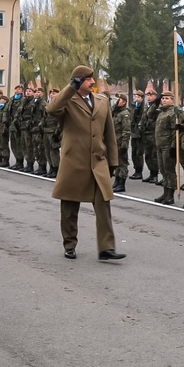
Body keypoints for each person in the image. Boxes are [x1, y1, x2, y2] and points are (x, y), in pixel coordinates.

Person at [47, 66, 124, 261]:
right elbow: (52, 109)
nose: (92, 82)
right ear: (78, 82)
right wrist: (69, 88)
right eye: (88, 79)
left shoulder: (102, 101)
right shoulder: (68, 101)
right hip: (74, 161)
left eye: (92, 78)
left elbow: (110, 133)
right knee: (70, 206)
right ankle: (70, 244)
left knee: (103, 204)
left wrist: (113, 161)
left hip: (98, 162)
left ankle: (106, 247)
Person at [153, 91, 178, 205]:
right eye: (162, 98)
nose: (164, 100)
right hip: (160, 145)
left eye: (167, 98)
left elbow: (175, 131)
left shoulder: (172, 112)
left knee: (169, 171)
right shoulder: (161, 112)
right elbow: (149, 114)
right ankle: (165, 192)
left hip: (168, 146)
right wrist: (155, 103)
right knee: (163, 170)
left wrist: (173, 146)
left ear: (172, 99)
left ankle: (170, 195)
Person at [139, 88, 161, 183]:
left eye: (151, 95)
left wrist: (157, 102)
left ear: (155, 97)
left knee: (154, 155)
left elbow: (151, 114)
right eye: (148, 95)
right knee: (147, 155)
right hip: (146, 133)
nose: (149, 97)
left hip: (153, 133)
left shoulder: (156, 106)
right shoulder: (147, 106)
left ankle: (155, 174)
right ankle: (151, 173)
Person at [112, 93, 132, 193]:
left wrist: (124, 144)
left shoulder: (125, 114)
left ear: (123, 102)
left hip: (120, 142)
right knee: (116, 162)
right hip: (115, 141)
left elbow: (126, 130)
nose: (116, 101)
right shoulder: (116, 112)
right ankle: (117, 180)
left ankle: (122, 183)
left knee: (122, 163)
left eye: (118, 100)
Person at [43, 88, 62, 178]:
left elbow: (60, 120)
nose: (52, 95)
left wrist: (57, 132)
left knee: (54, 151)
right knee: (47, 151)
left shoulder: (60, 105)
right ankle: (51, 167)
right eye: (51, 93)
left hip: (54, 131)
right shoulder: (48, 104)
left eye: (54, 93)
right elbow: (44, 118)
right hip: (46, 130)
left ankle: (56, 169)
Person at [6, 84, 25, 169]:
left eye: (19, 89)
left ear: (22, 91)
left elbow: (21, 111)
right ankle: (17, 161)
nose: (18, 90)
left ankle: (20, 162)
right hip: (11, 124)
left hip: (18, 124)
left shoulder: (23, 100)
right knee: (13, 143)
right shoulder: (12, 99)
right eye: (16, 89)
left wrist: (16, 121)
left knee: (19, 143)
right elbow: (7, 110)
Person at [30, 87, 48, 175]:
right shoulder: (33, 103)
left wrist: (40, 126)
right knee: (35, 149)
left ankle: (43, 167)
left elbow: (45, 117)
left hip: (40, 129)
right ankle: (39, 166)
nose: (37, 94)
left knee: (41, 149)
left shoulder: (43, 104)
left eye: (39, 92)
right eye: (36, 92)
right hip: (33, 128)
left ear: (42, 94)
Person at [129, 90, 145, 180]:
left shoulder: (143, 109)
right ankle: (136, 170)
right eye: (136, 97)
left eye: (139, 97)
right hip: (133, 133)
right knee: (134, 153)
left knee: (139, 153)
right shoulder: (134, 107)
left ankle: (139, 171)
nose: (137, 99)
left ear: (142, 99)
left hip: (140, 134)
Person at [0, 95, 11, 167]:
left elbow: (7, 119)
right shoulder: (0, 108)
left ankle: (5, 160)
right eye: (1, 99)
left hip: (4, 127)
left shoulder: (6, 108)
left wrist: (5, 128)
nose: (1, 100)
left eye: (3, 100)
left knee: (4, 144)